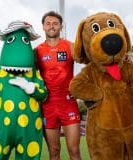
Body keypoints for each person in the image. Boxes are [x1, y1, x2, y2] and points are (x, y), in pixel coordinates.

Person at [35, 11, 82, 160]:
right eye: (48, 23)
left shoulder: (70, 46)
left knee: (74, 151)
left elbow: (91, 59)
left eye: (55, 23)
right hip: (47, 106)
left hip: (68, 103)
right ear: (43, 27)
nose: (52, 26)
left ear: (61, 26)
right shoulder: (37, 51)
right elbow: (25, 71)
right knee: (54, 153)